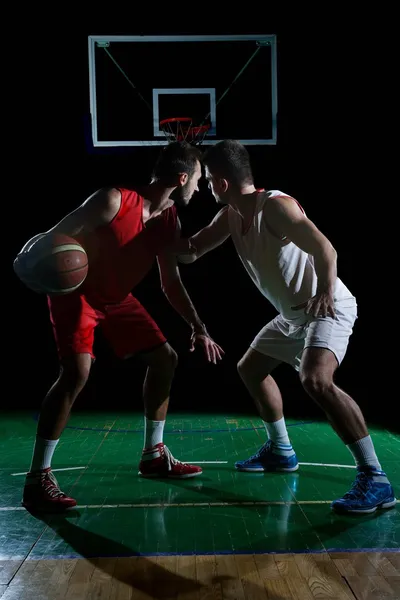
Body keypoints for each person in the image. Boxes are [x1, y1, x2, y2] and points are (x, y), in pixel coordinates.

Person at [175, 139, 396, 515]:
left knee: (316, 380)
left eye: (209, 180)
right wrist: (151, 237)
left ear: (222, 183)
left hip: (328, 306)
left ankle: (375, 478)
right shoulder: (230, 215)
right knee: (250, 368)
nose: (207, 186)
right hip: (294, 315)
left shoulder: (275, 206)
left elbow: (326, 248)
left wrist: (325, 291)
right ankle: (281, 450)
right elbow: (192, 250)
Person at [17, 141, 224, 512]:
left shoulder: (168, 221)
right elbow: (54, 238)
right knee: (77, 372)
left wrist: (198, 326)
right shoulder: (113, 200)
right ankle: (37, 479)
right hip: (77, 294)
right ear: (181, 178)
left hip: (116, 299)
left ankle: (153, 454)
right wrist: (30, 262)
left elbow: (170, 282)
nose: (198, 186)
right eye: (196, 179)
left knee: (165, 359)